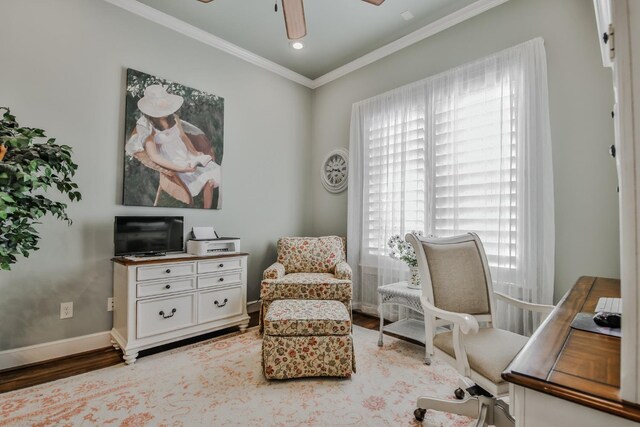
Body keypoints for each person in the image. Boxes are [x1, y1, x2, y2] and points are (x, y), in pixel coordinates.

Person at [125, 85, 221, 209]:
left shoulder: (174, 118)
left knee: (212, 175)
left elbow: (183, 136)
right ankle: (203, 210)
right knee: (204, 179)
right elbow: (154, 156)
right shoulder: (148, 127)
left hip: (187, 155)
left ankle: (207, 211)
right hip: (173, 162)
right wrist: (180, 169)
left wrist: (195, 152)